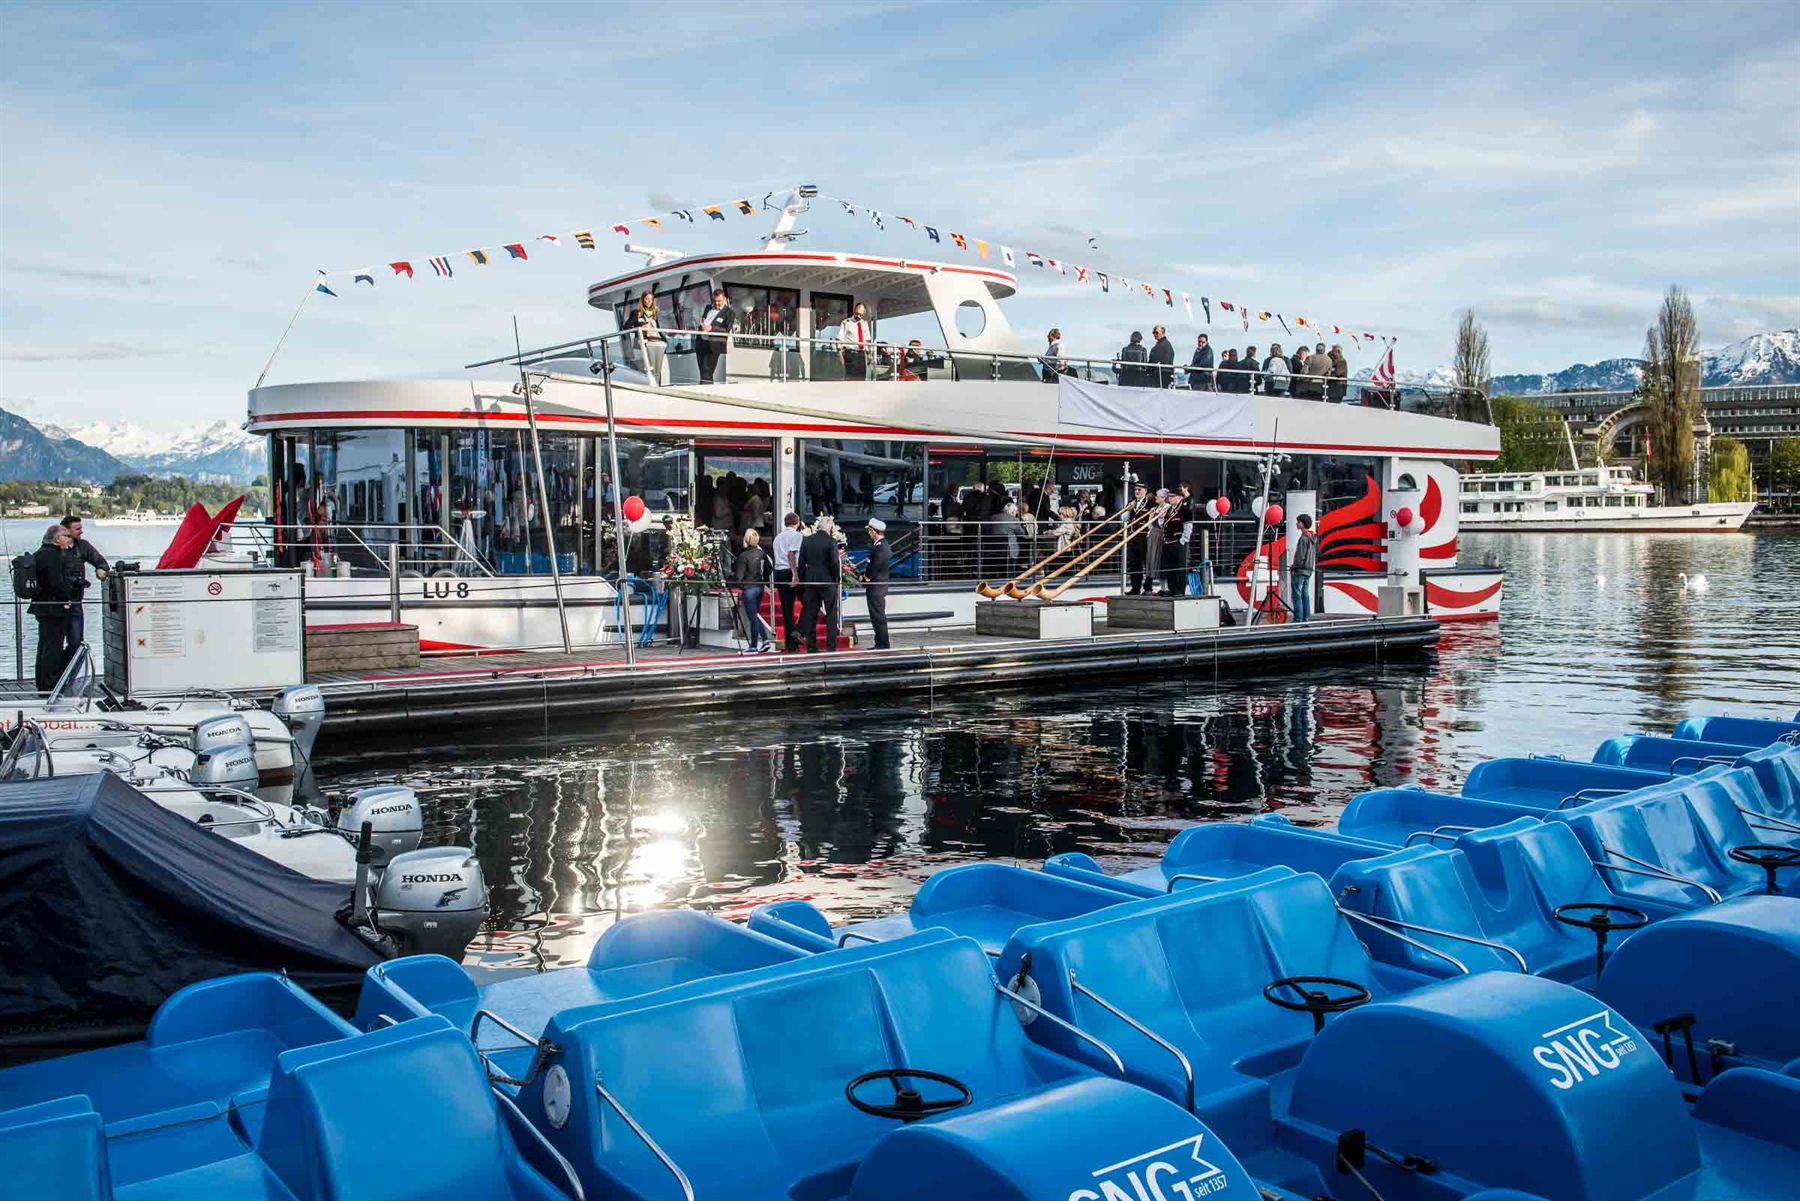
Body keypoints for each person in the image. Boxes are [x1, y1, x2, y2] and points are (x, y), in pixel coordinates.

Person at [31, 524, 76, 691]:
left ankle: (41, 682)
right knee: (53, 647)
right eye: (66, 536)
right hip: (53, 607)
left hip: (41, 606)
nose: (69, 540)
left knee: (44, 645)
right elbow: (56, 582)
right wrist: (66, 598)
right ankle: (49, 685)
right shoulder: (54, 555)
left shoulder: (40, 553)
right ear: (57, 539)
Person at [60, 514, 109, 659]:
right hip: (57, 602)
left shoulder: (83, 546)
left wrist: (100, 568)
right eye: (77, 529)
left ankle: (70, 674)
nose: (81, 531)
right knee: (53, 643)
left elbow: (100, 560)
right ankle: (55, 675)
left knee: (76, 642)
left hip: (75, 601)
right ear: (66, 531)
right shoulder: (55, 549)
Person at [796, 515, 841, 652]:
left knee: (811, 613)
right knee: (831, 614)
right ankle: (831, 646)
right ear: (829, 528)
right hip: (827, 582)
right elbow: (834, 562)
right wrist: (836, 579)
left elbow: (801, 563)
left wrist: (803, 580)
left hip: (811, 580)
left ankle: (811, 645)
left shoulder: (807, 540)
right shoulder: (831, 541)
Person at [734, 528, 774, 652]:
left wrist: (740, 584)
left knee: (753, 617)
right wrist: (764, 580)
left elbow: (739, 575)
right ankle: (765, 640)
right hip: (759, 586)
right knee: (755, 615)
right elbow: (769, 569)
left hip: (749, 588)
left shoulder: (743, 555)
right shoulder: (762, 554)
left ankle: (753, 645)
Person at [772, 511, 805, 651]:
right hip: (791, 571)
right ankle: (798, 630)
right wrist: (795, 574)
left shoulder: (777, 538)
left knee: (787, 609)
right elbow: (791, 555)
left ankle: (790, 645)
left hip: (779, 573)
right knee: (809, 602)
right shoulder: (797, 536)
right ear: (797, 523)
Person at [861, 518, 892, 650]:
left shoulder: (880, 547)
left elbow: (874, 566)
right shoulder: (881, 545)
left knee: (877, 616)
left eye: (870, 531)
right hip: (878, 586)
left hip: (876, 587)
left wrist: (865, 578)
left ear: (874, 531)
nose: (869, 533)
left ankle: (882, 644)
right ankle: (880, 642)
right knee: (877, 616)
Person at [697, 289, 735, 383]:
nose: (717, 303)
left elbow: (726, 330)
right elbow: (704, 320)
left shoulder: (729, 313)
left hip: (714, 345)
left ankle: (704, 391)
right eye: (715, 300)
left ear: (724, 299)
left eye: (719, 301)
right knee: (702, 370)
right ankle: (703, 389)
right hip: (701, 342)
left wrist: (711, 328)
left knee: (707, 370)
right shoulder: (707, 308)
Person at [1161, 483, 1192, 596]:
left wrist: (1182, 541)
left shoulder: (1185, 510)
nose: (1170, 499)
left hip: (1178, 542)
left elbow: (1188, 528)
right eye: (1169, 496)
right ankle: (1172, 589)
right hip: (1168, 542)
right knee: (1170, 568)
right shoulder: (1168, 510)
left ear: (1179, 497)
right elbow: (1163, 525)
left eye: (1172, 496)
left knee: (1180, 568)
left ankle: (1180, 591)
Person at [1122, 481, 1153, 593]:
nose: (1137, 492)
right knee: (1134, 563)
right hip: (1133, 536)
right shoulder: (1132, 502)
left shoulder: (1150, 503)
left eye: (1139, 490)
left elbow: (1152, 521)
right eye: (1136, 489)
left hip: (1144, 536)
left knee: (1147, 562)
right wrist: (1129, 509)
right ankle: (1135, 587)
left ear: (1145, 491)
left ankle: (1148, 587)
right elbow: (1124, 519)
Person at [1289, 512, 1318, 622]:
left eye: (1298, 522)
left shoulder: (1303, 538)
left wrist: (1294, 566)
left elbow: (1300, 556)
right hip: (1309, 570)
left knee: (1297, 594)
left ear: (1303, 524)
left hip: (1300, 570)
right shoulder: (1312, 537)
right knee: (1305, 594)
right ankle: (1306, 617)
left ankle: (1298, 618)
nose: (1297, 524)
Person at [632, 293, 666, 385]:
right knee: (649, 366)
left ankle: (658, 385)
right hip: (646, 342)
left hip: (658, 341)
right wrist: (640, 325)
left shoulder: (656, 312)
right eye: (646, 299)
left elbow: (662, 325)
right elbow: (626, 326)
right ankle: (651, 385)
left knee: (658, 367)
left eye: (651, 299)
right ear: (642, 300)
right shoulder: (636, 312)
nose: (648, 301)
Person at [839, 301, 874, 381]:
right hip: (850, 354)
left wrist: (869, 355)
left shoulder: (865, 324)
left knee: (861, 378)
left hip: (861, 355)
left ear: (864, 314)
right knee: (850, 379)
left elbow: (867, 341)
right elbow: (839, 339)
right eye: (857, 313)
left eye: (861, 315)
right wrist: (840, 355)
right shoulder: (846, 323)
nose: (858, 316)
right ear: (854, 310)